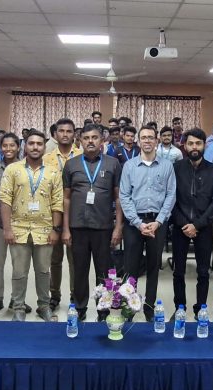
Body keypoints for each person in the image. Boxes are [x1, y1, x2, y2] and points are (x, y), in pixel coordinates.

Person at [0, 130, 64, 322]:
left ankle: (44, 306)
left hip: (44, 229)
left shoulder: (53, 171)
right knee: (19, 272)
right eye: (31, 143)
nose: (35, 147)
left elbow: (57, 202)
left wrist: (56, 229)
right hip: (18, 229)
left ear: (45, 147)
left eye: (39, 144)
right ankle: (18, 307)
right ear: (24, 147)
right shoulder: (12, 169)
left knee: (43, 271)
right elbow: (5, 200)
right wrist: (7, 229)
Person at [62, 124, 124, 321]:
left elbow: (118, 198)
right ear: (80, 141)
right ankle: (80, 308)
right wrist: (65, 229)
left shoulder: (113, 164)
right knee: (79, 270)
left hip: (103, 227)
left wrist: (118, 227)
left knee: (104, 272)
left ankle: (103, 311)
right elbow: (66, 198)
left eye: (94, 137)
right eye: (86, 138)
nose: (90, 141)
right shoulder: (71, 164)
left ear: (102, 140)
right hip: (77, 227)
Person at [119, 125, 176, 322]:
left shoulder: (167, 166)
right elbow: (124, 196)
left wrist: (158, 221)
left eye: (151, 137)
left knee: (153, 267)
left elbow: (171, 195)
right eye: (143, 137)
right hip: (134, 223)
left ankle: (149, 308)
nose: (147, 141)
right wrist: (138, 223)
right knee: (130, 267)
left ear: (157, 141)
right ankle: (129, 308)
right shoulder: (129, 166)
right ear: (138, 141)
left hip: (157, 223)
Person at [171, 128, 213, 317]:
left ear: (204, 145)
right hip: (180, 226)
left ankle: (201, 308)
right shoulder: (175, 168)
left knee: (203, 272)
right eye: (191, 143)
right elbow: (170, 199)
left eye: (198, 143)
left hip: (204, 227)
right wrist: (184, 223)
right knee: (178, 271)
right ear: (184, 146)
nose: (194, 147)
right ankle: (180, 307)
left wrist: (197, 225)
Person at [0, 133, 31, 315]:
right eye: (5, 146)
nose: (8, 149)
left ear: (18, 147)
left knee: (19, 264)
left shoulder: (26, 166)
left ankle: (16, 299)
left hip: (20, 223)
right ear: (0, 148)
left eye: (12, 145)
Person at [44, 118, 81, 311]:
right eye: (61, 131)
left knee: (75, 260)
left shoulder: (82, 155)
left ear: (74, 134)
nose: (65, 134)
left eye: (69, 131)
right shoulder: (46, 158)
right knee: (54, 260)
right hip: (52, 215)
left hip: (76, 215)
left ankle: (75, 296)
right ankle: (55, 295)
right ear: (55, 134)